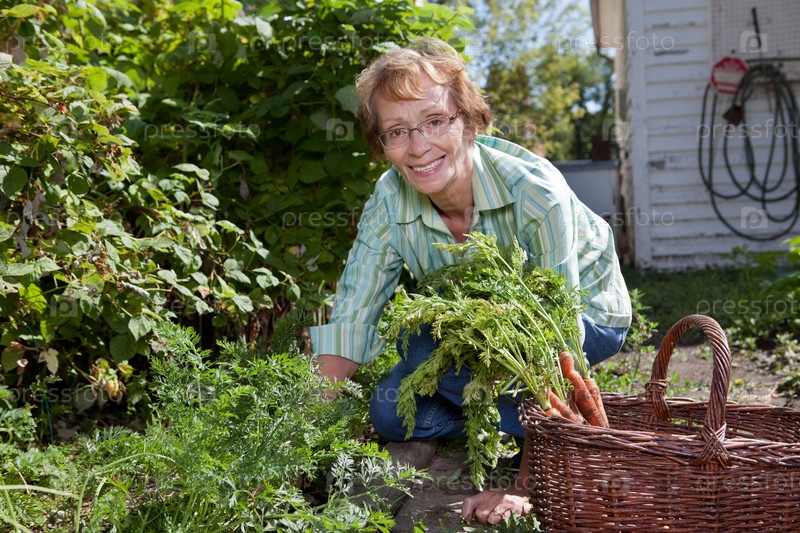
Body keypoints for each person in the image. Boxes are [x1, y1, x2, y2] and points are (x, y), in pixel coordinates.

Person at [308, 37, 631, 525]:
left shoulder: (535, 195)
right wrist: (290, 437)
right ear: (382, 142)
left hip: (585, 319)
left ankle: (557, 428)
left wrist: (527, 487)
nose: (418, 147)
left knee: (421, 346)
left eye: (435, 121)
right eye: (397, 131)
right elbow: (352, 322)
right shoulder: (389, 199)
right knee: (390, 412)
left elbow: (557, 342)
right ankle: (506, 414)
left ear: (468, 118)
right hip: (480, 336)